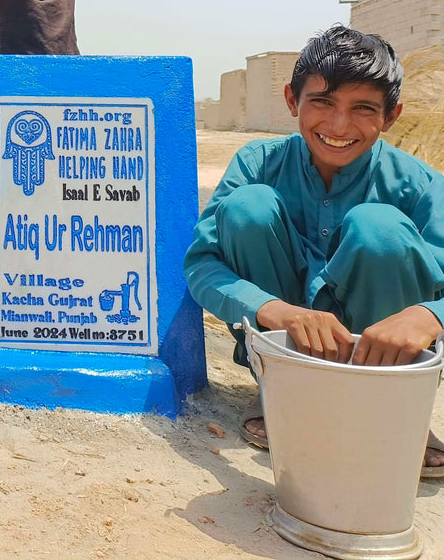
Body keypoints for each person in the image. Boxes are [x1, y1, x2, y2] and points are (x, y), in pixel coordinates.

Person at [184, 24, 444, 477]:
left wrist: (431, 315)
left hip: (383, 358)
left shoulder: (419, 183)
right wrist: (278, 312)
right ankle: (282, 390)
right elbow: (203, 265)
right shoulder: (257, 163)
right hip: (284, 348)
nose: (339, 125)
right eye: (322, 102)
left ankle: (395, 407)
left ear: (392, 115)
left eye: (363, 109)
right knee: (248, 207)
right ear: (292, 101)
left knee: (377, 225)